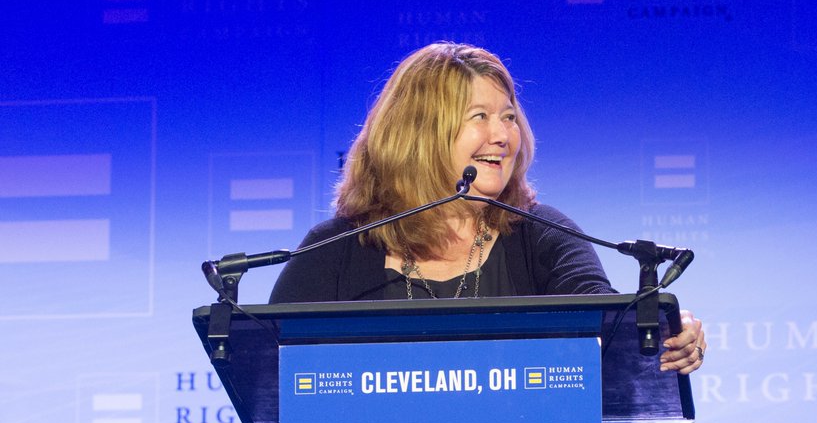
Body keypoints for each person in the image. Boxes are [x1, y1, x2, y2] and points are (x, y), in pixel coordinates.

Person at [269, 42, 704, 374]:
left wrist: (667, 333)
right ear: (420, 134)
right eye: (479, 116)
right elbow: (272, 375)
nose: (502, 136)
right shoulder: (337, 249)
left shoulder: (541, 235)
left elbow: (606, 324)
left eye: (509, 117)